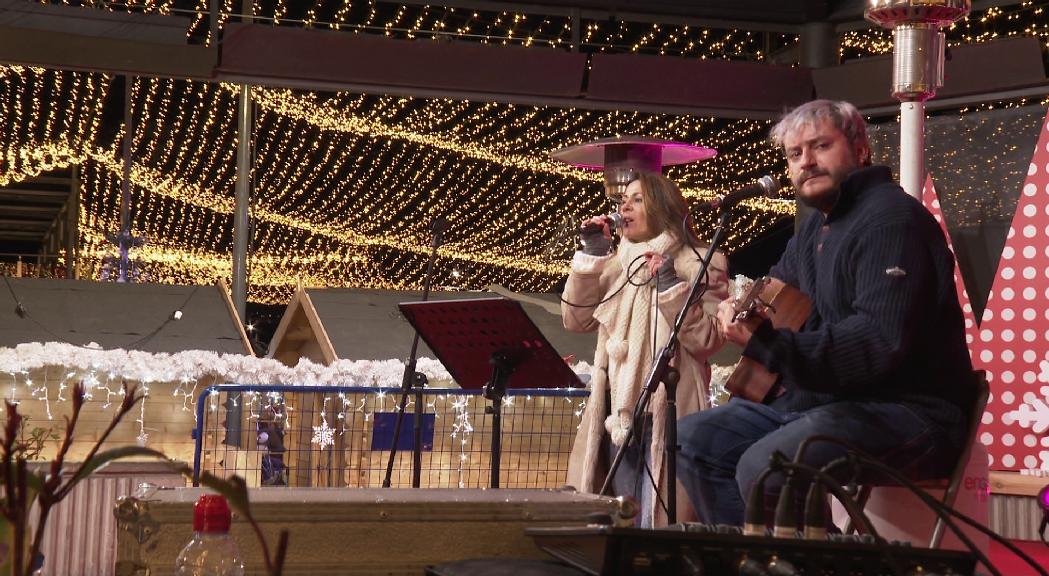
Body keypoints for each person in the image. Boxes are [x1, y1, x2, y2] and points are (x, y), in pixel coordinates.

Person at [676, 99, 976, 526]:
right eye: (794, 155)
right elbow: (776, 291)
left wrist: (771, 343)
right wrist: (739, 308)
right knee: (692, 438)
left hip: (911, 413)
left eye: (820, 146)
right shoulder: (817, 226)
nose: (806, 163)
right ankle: (758, 558)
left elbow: (877, 342)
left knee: (767, 465)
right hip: (835, 405)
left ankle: (808, 562)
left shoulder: (891, 221)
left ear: (860, 149)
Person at [562, 170, 728, 528]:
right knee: (617, 519)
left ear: (664, 207)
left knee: (658, 520)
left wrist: (670, 286)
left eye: (638, 199)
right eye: (624, 199)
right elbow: (575, 321)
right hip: (614, 411)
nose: (625, 205)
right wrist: (592, 255)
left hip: (666, 407)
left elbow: (709, 339)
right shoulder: (615, 263)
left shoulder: (699, 262)